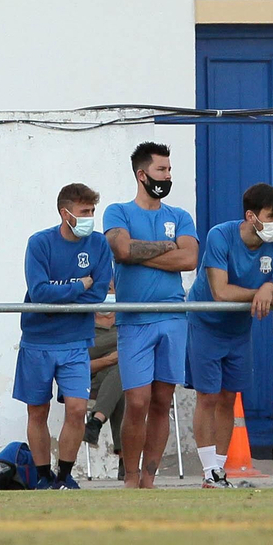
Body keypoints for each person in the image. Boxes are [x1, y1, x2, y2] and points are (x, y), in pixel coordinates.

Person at [187, 183, 273, 488]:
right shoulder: (220, 236)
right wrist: (262, 295)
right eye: (271, 215)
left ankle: (220, 471)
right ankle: (209, 470)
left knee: (229, 396)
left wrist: (270, 288)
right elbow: (220, 292)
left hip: (239, 328)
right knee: (207, 396)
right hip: (206, 323)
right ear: (251, 216)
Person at [103, 142, 199, 489]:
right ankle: (130, 478)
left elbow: (189, 260)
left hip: (173, 318)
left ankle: (149, 479)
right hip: (134, 320)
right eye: (162, 170)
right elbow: (122, 249)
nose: (168, 176)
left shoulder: (180, 216)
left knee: (162, 401)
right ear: (142, 175)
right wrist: (166, 248)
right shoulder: (118, 211)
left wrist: (140, 253)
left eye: (170, 170)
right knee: (137, 400)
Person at [17, 183, 114, 490]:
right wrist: (78, 286)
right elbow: (39, 292)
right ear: (66, 213)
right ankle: (43, 477)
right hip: (37, 340)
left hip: (76, 341)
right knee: (38, 410)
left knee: (75, 408)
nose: (90, 218)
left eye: (92, 211)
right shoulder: (39, 243)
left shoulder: (99, 245)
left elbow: (98, 292)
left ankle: (63, 476)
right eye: (85, 212)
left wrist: (70, 295)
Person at [84, 312, 125, 470]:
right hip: (90, 381)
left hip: (122, 379)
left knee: (122, 379)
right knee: (122, 376)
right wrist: (109, 359)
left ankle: (96, 421)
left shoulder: (126, 319)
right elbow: (78, 365)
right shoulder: (84, 323)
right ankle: (126, 462)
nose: (107, 289)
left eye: (111, 288)